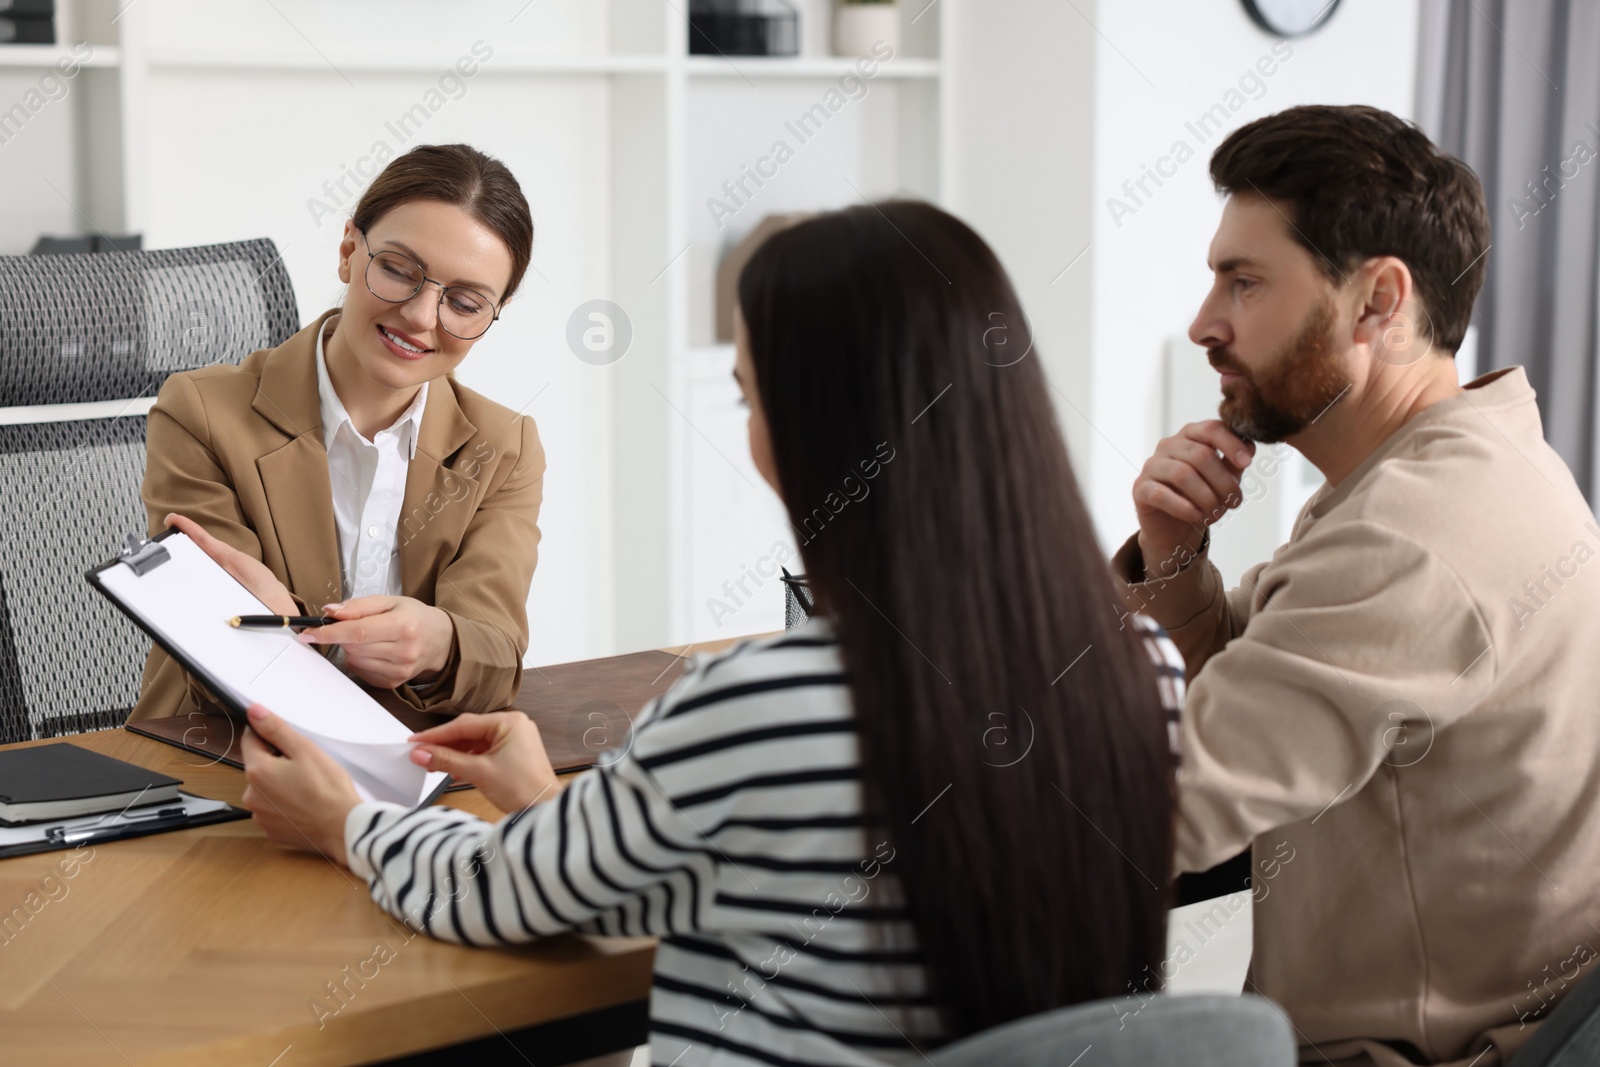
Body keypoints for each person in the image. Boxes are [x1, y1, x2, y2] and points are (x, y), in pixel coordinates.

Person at [220, 201, 1185, 1065]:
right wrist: (543, 802)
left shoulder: (769, 701)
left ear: (816, 429)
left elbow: (502, 895)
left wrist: (345, 822)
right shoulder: (1145, 671)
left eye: (749, 396)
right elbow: (752, 883)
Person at [1117, 104, 1600, 1066]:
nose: (1204, 324)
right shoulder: (1451, 464)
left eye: (1244, 282)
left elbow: (1159, 806)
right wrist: (1173, 557)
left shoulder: (1413, 535)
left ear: (1378, 300)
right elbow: (1253, 679)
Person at [130, 143, 545, 722]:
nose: (423, 317)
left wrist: (441, 643)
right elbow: (221, 652)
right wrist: (257, 628)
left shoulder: (503, 448)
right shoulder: (200, 413)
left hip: (407, 763)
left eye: (465, 302)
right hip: (219, 757)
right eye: (399, 270)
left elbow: (497, 658)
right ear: (350, 251)